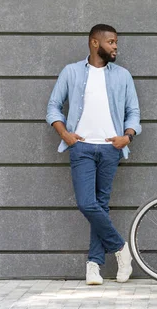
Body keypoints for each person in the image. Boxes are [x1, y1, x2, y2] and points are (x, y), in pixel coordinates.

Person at [46, 24, 141, 285]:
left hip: (111, 148)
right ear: (94, 43)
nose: (115, 47)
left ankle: (94, 265)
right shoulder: (72, 72)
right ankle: (121, 249)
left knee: (100, 205)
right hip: (82, 148)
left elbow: (133, 111)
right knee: (88, 204)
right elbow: (53, 106)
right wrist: (65, 134)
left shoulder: (122, 76)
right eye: (111, 42)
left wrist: (127, 136)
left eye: (116, 42)